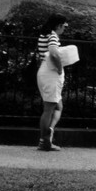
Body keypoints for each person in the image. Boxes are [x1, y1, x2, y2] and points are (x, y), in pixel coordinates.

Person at [36, 13, 68, 151]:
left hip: (44, 69)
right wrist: (60, 68)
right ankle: (44, 141)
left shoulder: (43, 35)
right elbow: (54, 53)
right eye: (64, 26)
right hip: (51, 72)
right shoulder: (53, 35)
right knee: (49, 108)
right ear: (58, 25)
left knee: (57, 106)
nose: (64, 29)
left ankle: (48, 133)